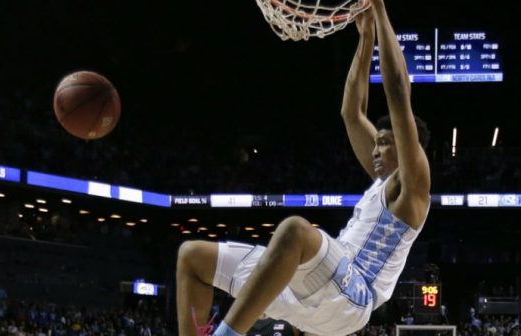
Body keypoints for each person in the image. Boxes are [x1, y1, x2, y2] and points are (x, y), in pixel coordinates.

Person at [176, 0, 431, 335]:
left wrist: (380, 9)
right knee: (192, 257)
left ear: (410, 148)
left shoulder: (414, 188)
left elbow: (398, 91)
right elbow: (351, 112)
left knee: (296, 231)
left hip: (354, 298)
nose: (376, 149)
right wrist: (366, 37)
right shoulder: (381, 184)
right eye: (378, 141)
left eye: (386, 142)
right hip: (316, 288)